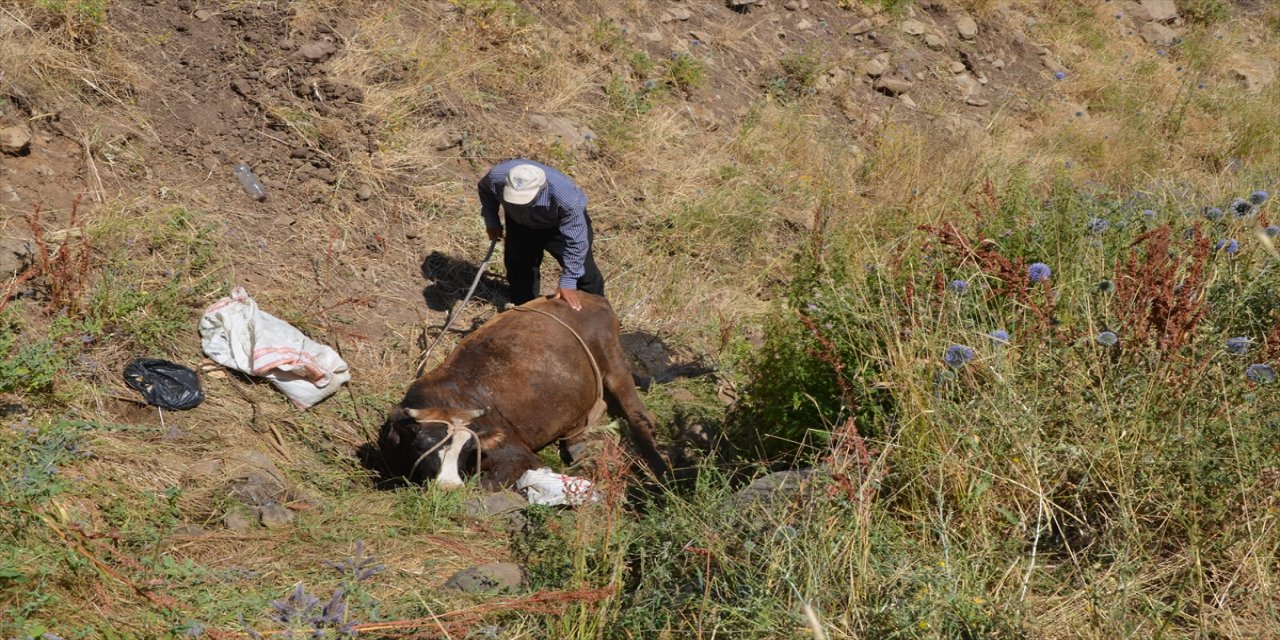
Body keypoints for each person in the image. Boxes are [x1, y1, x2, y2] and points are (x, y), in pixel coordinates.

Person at [477, 159, 604, 311]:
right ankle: (524, 311)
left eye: (524, 200)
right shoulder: (496, 176)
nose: (520, 203)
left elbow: (576, 242)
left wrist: (568, 282)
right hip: (518, 224)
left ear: (541, 189)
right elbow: (485, 191)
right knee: (519, 269)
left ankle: (598, 313)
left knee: (585, 274)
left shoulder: (566, 198)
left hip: (557, 227)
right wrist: (492, 220)